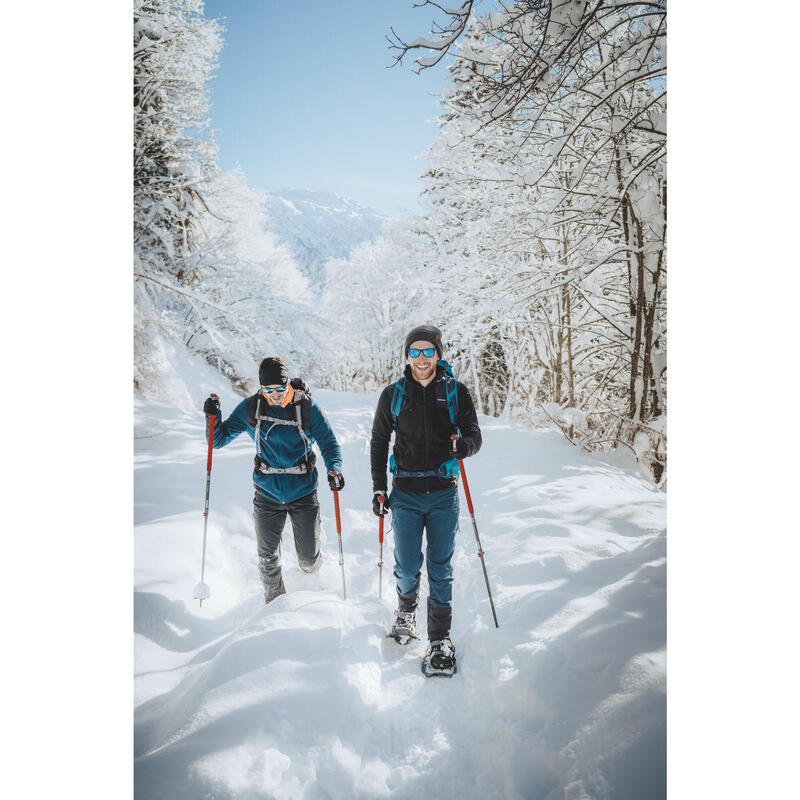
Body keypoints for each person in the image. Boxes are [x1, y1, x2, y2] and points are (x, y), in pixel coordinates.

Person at [370, 325, 482, 676]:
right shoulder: (393, 395)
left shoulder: (455, 392)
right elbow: (378, 442)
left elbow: (475, 436)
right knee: (405, 564)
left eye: (428, 351)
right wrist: (378, 487)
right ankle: (406, 613)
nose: (421, 359)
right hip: (404, 493)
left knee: (440, 567)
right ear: (407, 355)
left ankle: (440, 637)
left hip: (443, 494)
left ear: (438, 354)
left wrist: (463, 447)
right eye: (415, 352)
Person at [203, 357, 344, 604]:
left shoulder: (307, 408)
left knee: (308, 561)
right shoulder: (251, 408)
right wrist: (212, 418)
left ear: (288, 383)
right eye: (269, 390)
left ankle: (314, 579)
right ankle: (275, 608)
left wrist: (335, 469)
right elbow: (219, 440)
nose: (275, 394)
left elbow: (329, 443)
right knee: (267, 558)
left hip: (303, 492)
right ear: (261, 387)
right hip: (267, 494)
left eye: (280, 388)